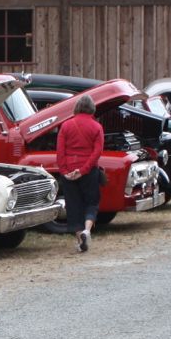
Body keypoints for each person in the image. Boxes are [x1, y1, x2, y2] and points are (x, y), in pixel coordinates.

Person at [56, 93, 104, 252]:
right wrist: (83, 170)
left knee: (73, 205)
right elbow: (97, 152)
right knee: (92, 203)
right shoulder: (97, 127)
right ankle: (87, 230)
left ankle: (80, 241)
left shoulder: (65, 126)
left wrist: (64, 171)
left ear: (76, 107)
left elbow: (60, 151)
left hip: (69, 170)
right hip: (89, 171)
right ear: (92, 108)